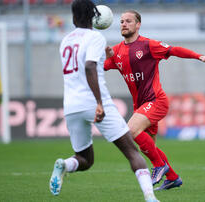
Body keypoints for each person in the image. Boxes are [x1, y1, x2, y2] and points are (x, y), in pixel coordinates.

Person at [50, 1, 159, 201]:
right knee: (132, 153)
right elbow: (90, 66)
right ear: (93, 17)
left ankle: (64, 164)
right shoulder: (95, 37)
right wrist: (99, 103)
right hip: (94, 103)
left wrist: (106, 54)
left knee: (85, 159)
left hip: (71, 106)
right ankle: (150, 197)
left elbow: (82, 61)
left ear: (73, 17)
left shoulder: (65, 40)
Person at [104, 10, 205, 190]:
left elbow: (174, 50)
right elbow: (99, 67)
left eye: (128, 21)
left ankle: (159, 166)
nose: (124, 24)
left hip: (156, 100)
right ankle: (172, 177)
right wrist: (105, 55)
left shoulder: (149, 45)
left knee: (131, 130)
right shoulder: (117, 51)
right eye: (121, 21)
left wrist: (199, 56)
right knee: (147, 147)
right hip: (141, 105)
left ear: (138, 25)